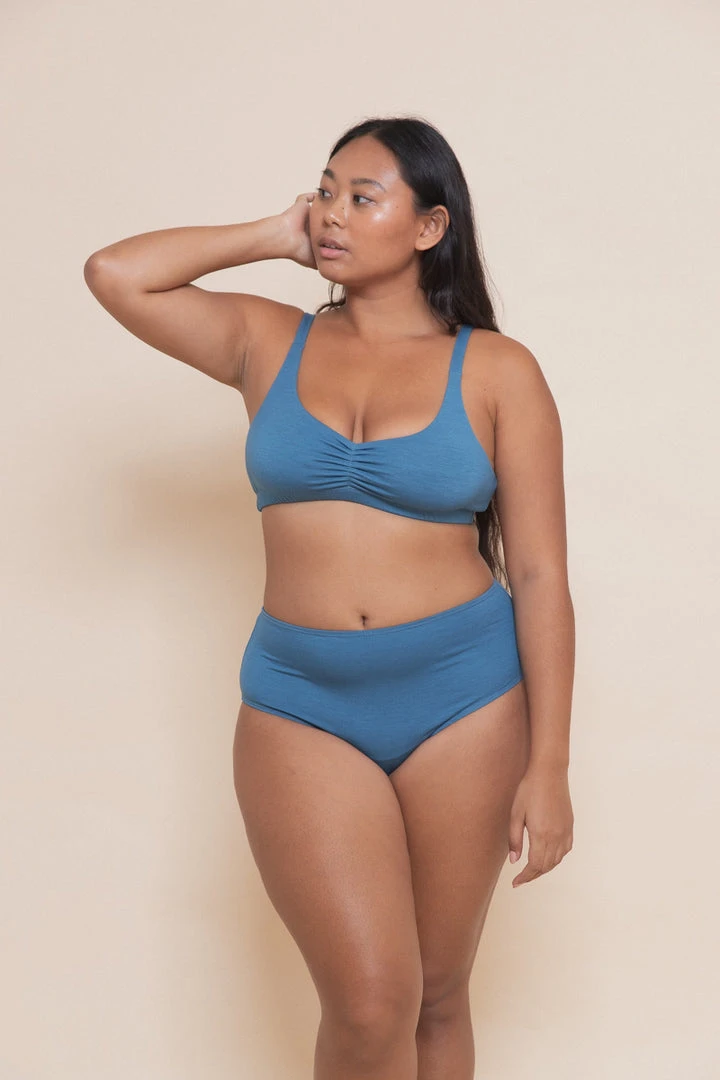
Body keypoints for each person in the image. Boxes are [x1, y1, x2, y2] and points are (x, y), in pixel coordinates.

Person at [84, 115, 575, 1080]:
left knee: (438, 996)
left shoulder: (497, 370)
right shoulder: (267, 341)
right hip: (301, 701)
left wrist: (550, 765)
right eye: (325, 190)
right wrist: (275, 235)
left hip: (464, 701)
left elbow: (540, 575)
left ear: (430, 227)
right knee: (368, 1002)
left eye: (363, 196)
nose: (333, 212)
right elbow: (115, 274)